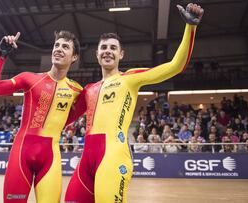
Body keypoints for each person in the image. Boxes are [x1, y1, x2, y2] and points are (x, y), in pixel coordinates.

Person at [64, 3, 204, 202]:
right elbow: (63, 119)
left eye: (113, 48)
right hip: (86, 159)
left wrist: (190, 28)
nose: (108, 51)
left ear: (121, 54)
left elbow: (175, 65)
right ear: (96, 54)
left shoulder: (129, 78)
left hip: (113, 156)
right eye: (103, 48)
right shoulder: (88, 89)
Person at [0, 30, 82, 202]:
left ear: (74, 57)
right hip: (21, 154)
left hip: (50, 158)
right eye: (56, 45)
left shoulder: (76, 90)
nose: (59, 49)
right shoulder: (29, 79)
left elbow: (67, 119)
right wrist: (1, 55)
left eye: (65, 47)